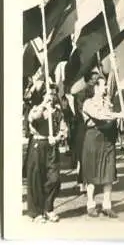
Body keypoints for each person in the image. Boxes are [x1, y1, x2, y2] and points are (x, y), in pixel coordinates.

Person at [81, 75, 124, 218]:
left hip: (107, 140)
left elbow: (109, 116)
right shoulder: (88, 103)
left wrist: (111, 106)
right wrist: (117, 115)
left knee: (109, 173)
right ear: (95, 87)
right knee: (92, 173)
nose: (105, 87)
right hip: (93, 139)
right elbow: (99, 116)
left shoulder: (107, 101)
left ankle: (107, 205)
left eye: (106, 84)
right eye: (103, 85)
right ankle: (91, 204)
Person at [26, 84, 67, 223]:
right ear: (44, 95)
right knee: (37, 179)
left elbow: (64, 130)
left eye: (55, 93)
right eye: (50, 93)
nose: (53, 96)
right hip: (38, 146)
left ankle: (48, 208)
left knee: (54, 179)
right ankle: (36, 212)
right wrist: (44, 104)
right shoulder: (36, 109)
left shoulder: (58, 112)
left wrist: (57, 138)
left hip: (51, 147)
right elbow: (33, 118)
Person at [72, 71, 100, 193]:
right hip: (83, 127)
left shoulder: (97, 92)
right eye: (93, 79)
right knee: (83, 155)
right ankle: (82, 181)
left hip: (92, 126)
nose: (95, 82)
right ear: (88, 80)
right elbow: (81, 113)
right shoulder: (81, 94)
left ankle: (88, 180)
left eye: (96, 79)